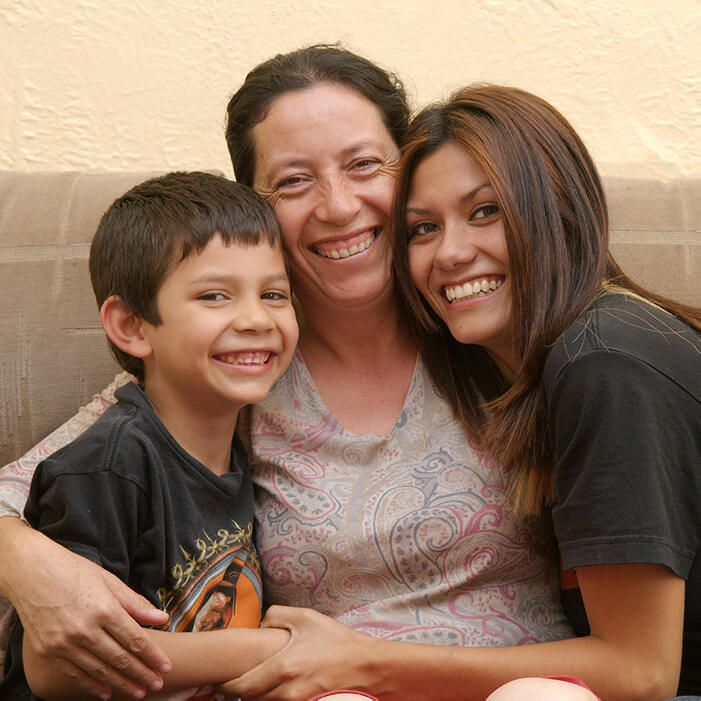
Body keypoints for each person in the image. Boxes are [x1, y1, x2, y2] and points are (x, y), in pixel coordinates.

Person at [0, 46, 574, 701]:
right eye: (294, 181)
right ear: (257, 207)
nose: (336, 205)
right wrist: (26, 562)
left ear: (410, 171)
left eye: (363, 165)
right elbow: (41, 482)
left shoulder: (484, 318)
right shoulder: (237, 363)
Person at [390, 84, 700, 699]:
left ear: (560, 210)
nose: (449, 253)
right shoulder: (583, 347)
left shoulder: (605, 364)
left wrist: (363, 663)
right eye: (422, 228)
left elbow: (641, 670)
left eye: (486, 212)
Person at [0, 171, 298, 699]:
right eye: (214, 296)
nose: (256, 318)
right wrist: (272, 648)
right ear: (133, 327)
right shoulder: (107, 465)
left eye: (274, 293)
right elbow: (51, 668)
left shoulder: (240, 446)